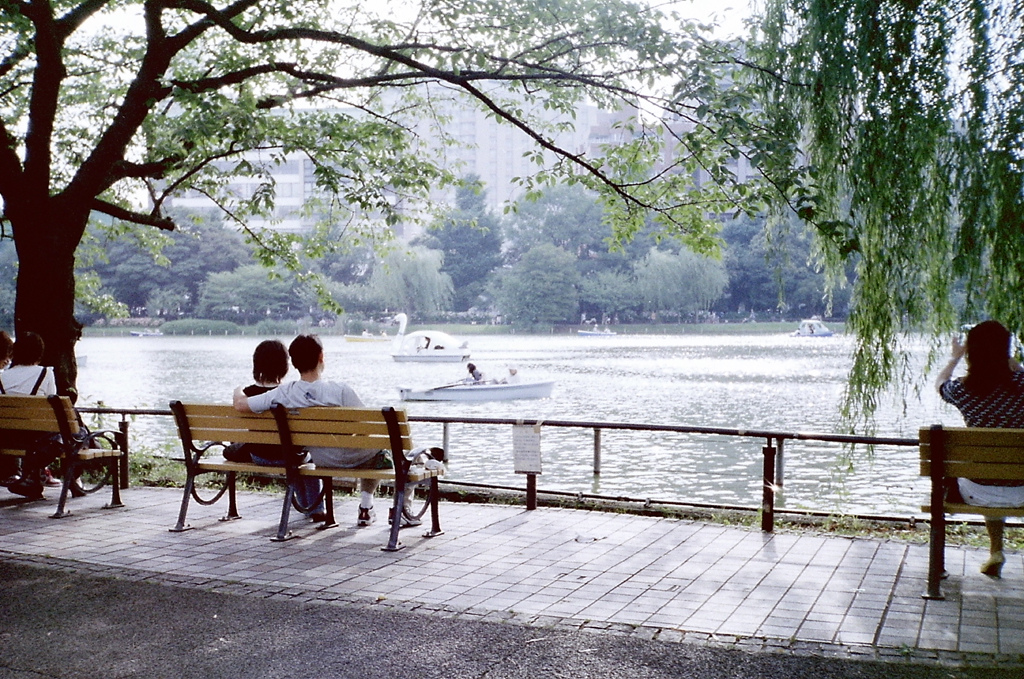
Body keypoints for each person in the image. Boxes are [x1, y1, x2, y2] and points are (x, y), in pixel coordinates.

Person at [234, 334, 391, 527]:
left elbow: (241, 405)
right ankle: (367, 507)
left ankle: (314, 506)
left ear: (294, 363)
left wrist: (238, 389)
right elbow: (369, 427)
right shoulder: (341, 390)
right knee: (384, 450)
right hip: (355, 459)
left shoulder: (283, 393)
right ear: (321, 357)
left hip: (321, 460)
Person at [936, 320, 1024, 577]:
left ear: (972, 352)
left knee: (987, 474)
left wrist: (954, 358)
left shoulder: (964, 390)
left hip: (976, 491)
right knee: (1005, 473)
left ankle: (996, 550)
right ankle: (995, 549)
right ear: (1005, 351)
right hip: (1022, 490)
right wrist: (1009, 361)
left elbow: (940, 384)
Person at [3, 332, 62, 497]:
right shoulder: (45, 373)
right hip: (37, 440)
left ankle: (32, 477)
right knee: (69, 433)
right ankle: (36, 475)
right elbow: (52, 409)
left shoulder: (2, 377)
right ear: (40, 353)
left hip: (9, 439)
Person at [223, 340, 290, 464]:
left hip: (259, 455)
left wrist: (238, 390)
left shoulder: (247, 394)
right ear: (285, 366)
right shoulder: (290, 393)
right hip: (290, 455)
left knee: (228, 451)